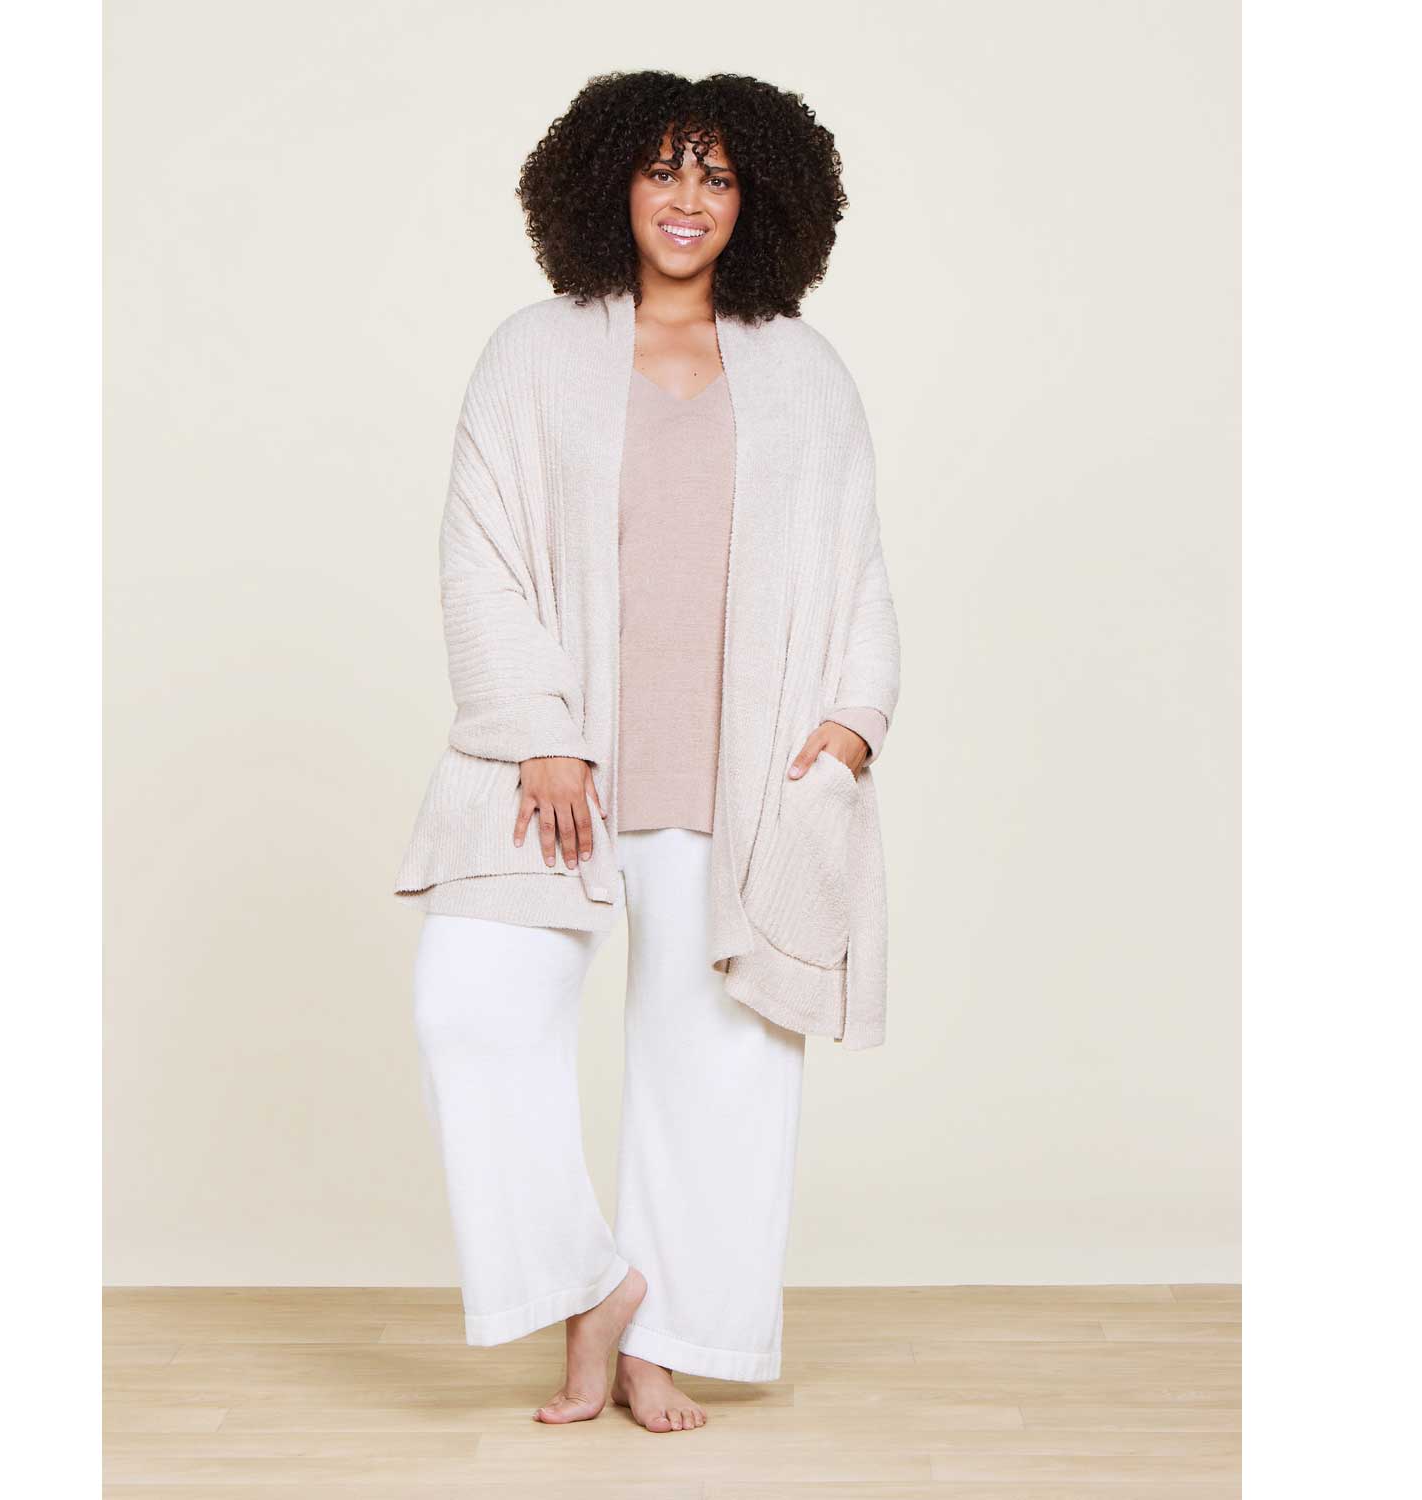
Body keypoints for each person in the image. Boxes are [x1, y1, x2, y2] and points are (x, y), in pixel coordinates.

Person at [394, 69, 901, 1434]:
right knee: (468, 1005)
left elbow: (857, 564)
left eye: (717, 177)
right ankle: (592, 1284)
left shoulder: (804, 372)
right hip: (556, 769)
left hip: (745, 773)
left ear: (759, 201)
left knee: (717, 1067)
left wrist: (854, 720)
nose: (688, 200)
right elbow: (478, 554)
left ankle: (659, 1342)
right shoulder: (533, 353)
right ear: (610, 181)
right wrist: (541, 733)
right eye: (665, 169)